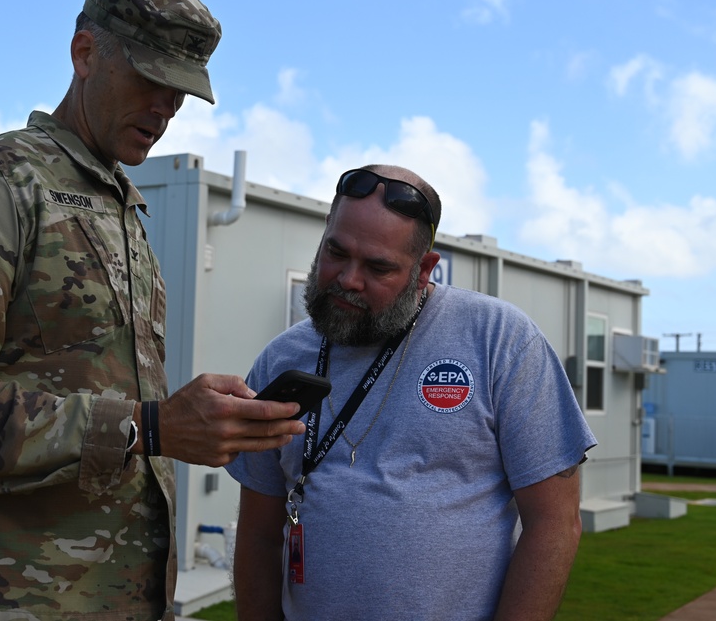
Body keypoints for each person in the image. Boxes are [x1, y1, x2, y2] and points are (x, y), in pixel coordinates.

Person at [0, 0, 304, 620]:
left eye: (181, 93)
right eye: (151, 79)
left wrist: (181, 419)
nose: (166, 107)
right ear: (84, 53)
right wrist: (153, 425)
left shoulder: (118, 208)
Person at [226, 165, 598, 621]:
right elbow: (259, 533)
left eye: (378, 267)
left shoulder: (499, 340)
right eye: (335, 252)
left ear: (424, 270)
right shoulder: (281, 359)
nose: (348, 279)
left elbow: (555, 523)